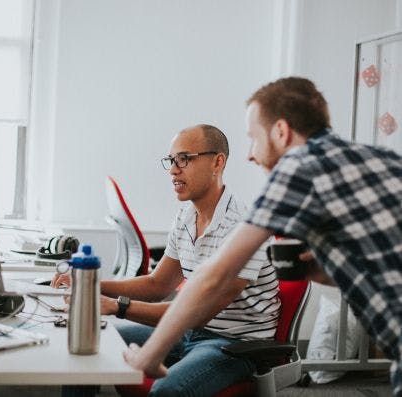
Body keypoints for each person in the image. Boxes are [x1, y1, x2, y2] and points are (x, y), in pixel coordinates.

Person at [123, 77, 402, 397]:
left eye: (254, 138)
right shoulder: (381, 159)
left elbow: (215, 277)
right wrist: (326, 271)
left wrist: (150, 354)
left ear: (281, 132)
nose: (251, 155)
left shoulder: (300, 164)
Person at [53, 124, 280, 397]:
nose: (174, 169)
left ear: (217, 162)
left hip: (231, 345)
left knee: (167, 391)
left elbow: (197, 314)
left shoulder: (242, 227)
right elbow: (157, 284)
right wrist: (90, 285)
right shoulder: (185, 216)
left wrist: (117, 306)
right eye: (171, 161)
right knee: (88, 342)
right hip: (186, 334)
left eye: (184, 159)